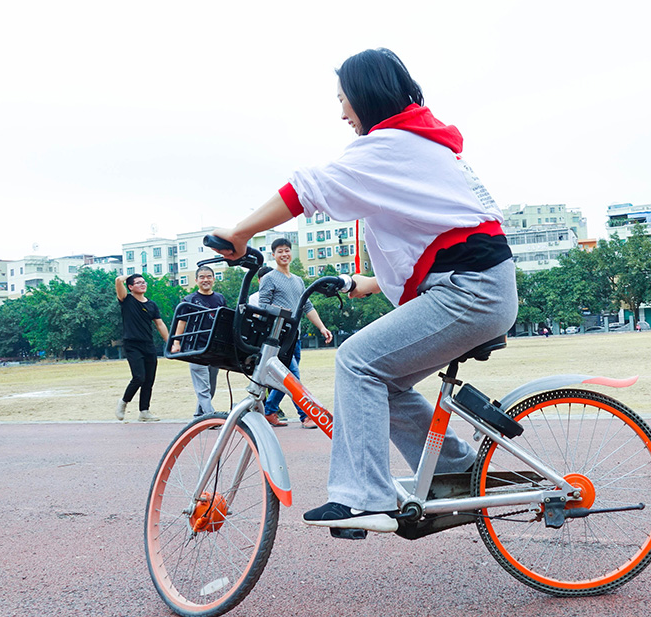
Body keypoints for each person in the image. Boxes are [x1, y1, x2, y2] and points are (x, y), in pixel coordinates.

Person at [210, 48, 516, 532]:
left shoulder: (391, 144)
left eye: (344, 100)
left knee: (356, 360)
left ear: (366, 96)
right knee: (385, 383)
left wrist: (241, 232)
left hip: (470, 290)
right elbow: (437, 236)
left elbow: (307, 188)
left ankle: (362, 498)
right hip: (477, 284)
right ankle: (457, 470)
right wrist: (368, 283)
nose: (341, 113)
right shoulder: (422, 142)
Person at [249, 238, 333, 429]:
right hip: (278, 337)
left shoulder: (298, 280)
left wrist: (322, 327)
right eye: (280, 251)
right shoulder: (270, 278)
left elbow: (307, 306)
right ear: (274, 255)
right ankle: (305, 416)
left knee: (284, 376)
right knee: (292, 376)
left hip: (296, 336)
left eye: (287, 250)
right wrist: (283, 312)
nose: (284, 254)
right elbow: (263, 305)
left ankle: (269, 411)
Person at [171, 266, 227, 417]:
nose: (205, 280)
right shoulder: (189, 300)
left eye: (209, 276)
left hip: (213, 347)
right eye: (202, 277)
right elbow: (181, 322)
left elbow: (224, 321)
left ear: (214, 279)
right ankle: (210, 415)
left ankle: (199, 415)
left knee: (211, 385)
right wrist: (176, 342)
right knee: (203, 385)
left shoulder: (220, 298)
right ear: (196, 280)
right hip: (195, 347)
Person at [114, 274, 168, 422]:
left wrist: (169, 341)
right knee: (139, 377)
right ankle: (123, 402)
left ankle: (144, 411)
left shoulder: (152, 305)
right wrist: (130, 276)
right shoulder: (127, 300)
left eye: (144, 282)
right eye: (138, 283)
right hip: (132, 344)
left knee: (149, 380)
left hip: (148, 344)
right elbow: (118, 281)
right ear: (130, 287)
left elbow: (160, 324)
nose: (143, 284)